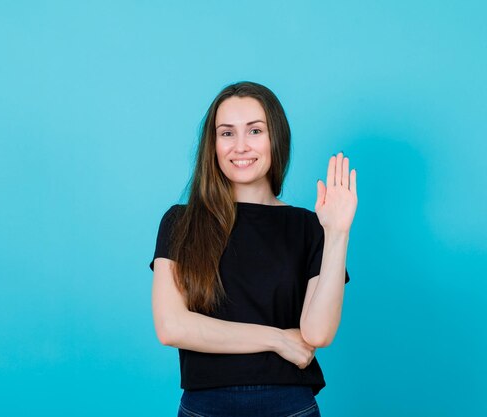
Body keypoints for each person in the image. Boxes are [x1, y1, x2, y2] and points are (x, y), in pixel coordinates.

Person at [149, 81, 357, 417]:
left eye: (255, 131)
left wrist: (337, 233)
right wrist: (277, 339)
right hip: (205, 407)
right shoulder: (180, 222)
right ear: (212, 145)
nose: (241, 146)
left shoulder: (308, 226)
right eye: (227, 133)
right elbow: (172, 327)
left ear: (276, 138)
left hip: (289, 407)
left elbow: (316, 334)